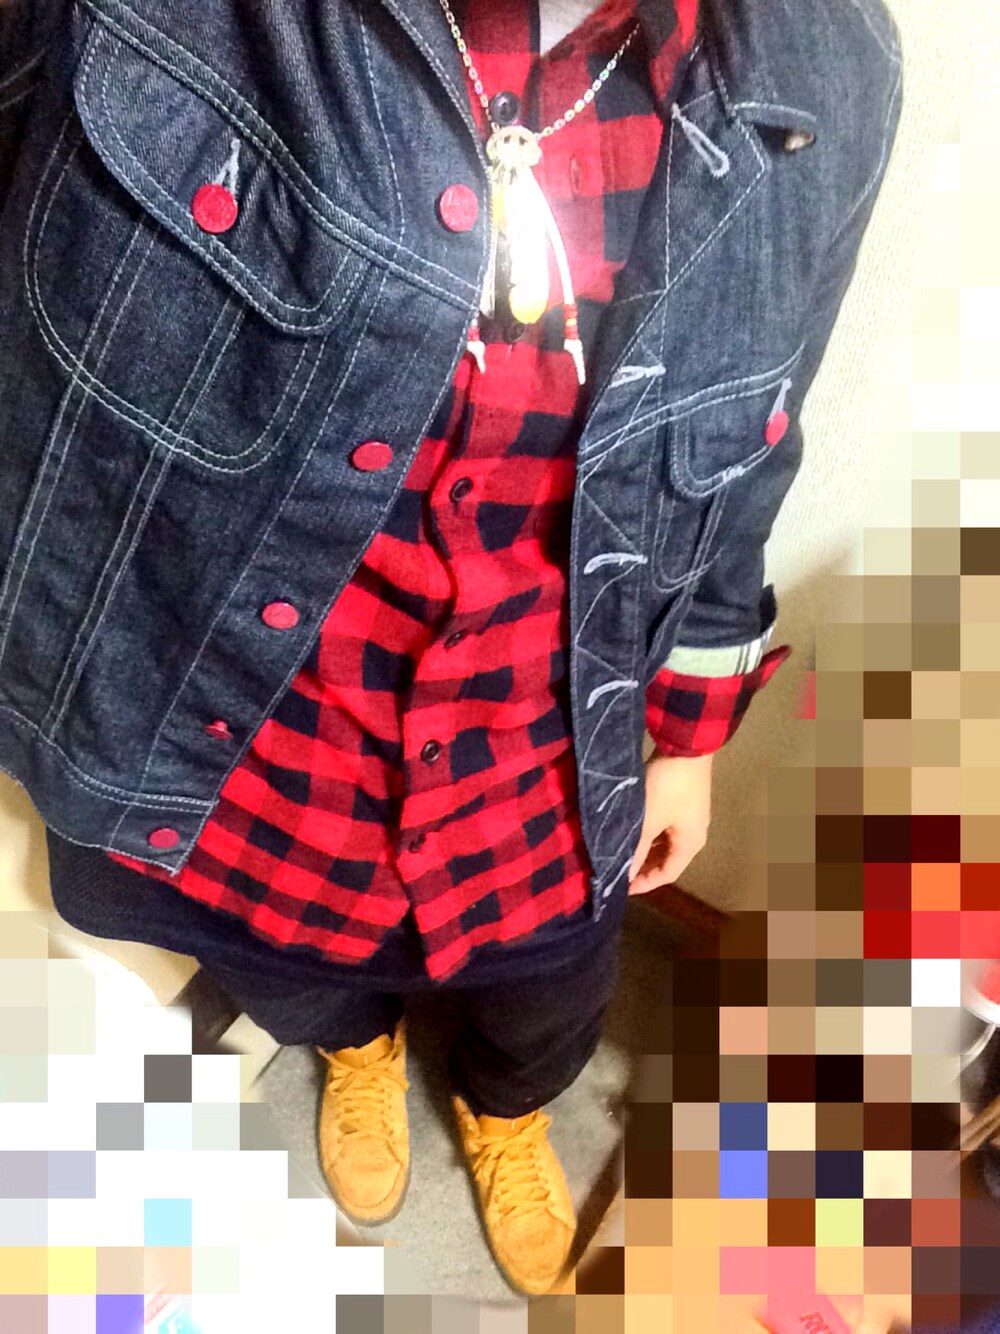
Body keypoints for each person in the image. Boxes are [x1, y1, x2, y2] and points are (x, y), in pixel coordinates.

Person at [0, 0, 901, 1297]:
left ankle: (502, 1114)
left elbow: (750, 452)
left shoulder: (829, 66)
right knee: (295, 963)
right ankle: (356, 1050)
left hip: (551, 725)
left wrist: (689, 739)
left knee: (544, 997)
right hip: (257, 716)